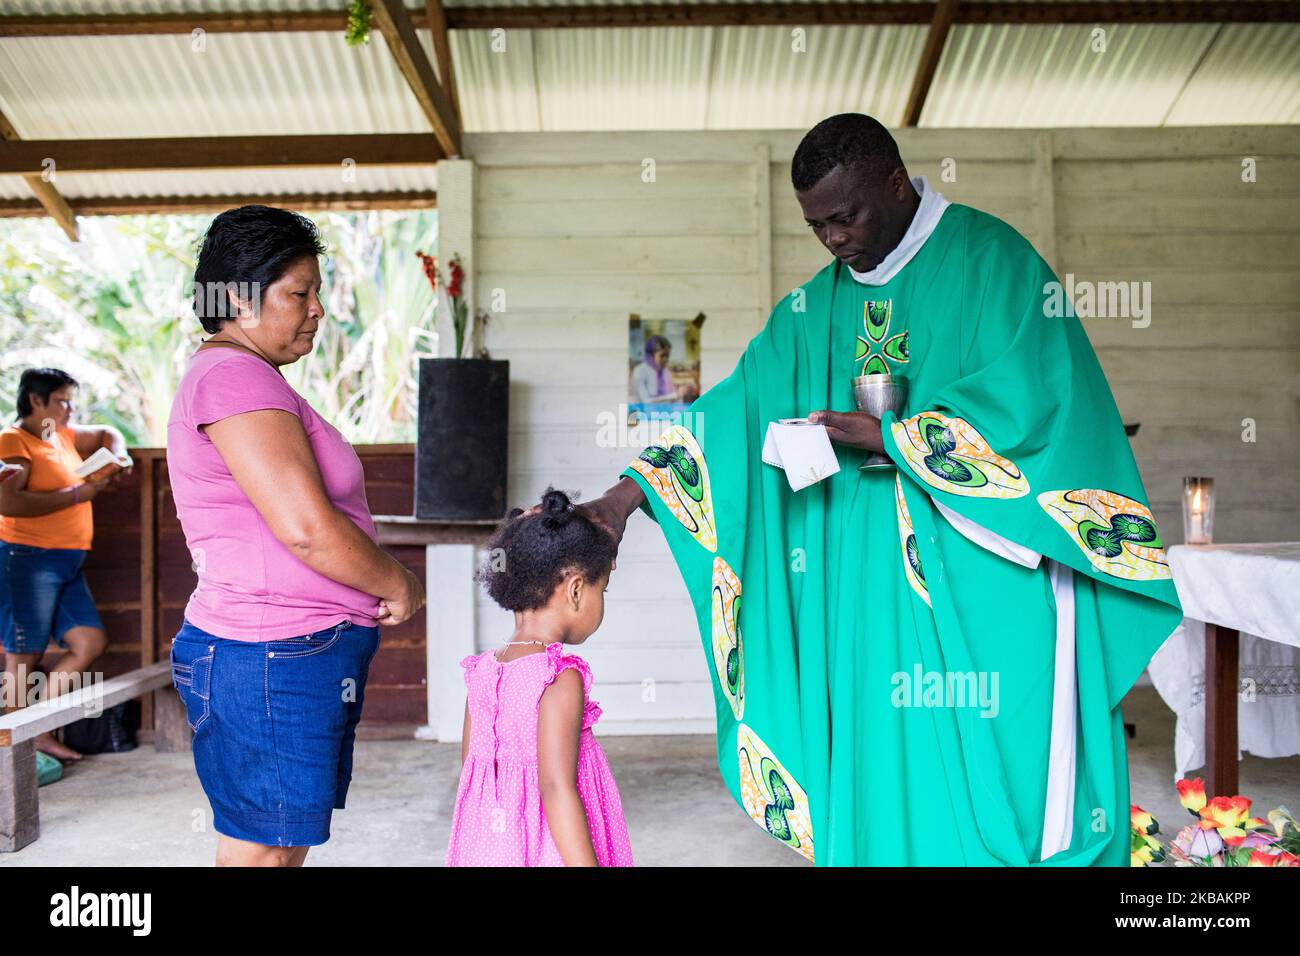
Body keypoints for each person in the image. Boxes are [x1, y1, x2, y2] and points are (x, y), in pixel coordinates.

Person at [568, 114, 1183, 866]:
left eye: (845, 217)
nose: (833, 239)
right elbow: (732, 412)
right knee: (877, 759)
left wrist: (892, 436)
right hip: (859, 585)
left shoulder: (991, 261)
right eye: (816, 225)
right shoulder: (812, 309)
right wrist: (625, 497)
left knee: (1002, 751)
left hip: (980, 576)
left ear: (895, 182)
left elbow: (1035, 403)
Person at [166, 205, 426, 867]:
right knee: (265, 851)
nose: (317, 311)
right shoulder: (233, 377)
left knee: (280, 845)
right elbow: (306, 530)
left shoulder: (248, 377)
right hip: (269, 653)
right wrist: (397, 582)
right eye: (299, 294)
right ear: (237, 299)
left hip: (285, 653)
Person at [446, 488, 632, 867]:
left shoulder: (481, 671)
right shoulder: (557, 677)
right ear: (576, 589)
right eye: (602, 589)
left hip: (489, 850)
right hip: (549, 851)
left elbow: (473, 775)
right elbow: (556, 789)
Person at [0, 367, 127, 762]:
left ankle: (39, 729)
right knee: (24, 655)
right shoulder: (13, 440)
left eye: (71, 401)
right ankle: (17, 754)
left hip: (68, 561)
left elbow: (107, 432)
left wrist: (119, 453)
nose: (70, 409)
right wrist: (77, 495)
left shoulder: (61, 435)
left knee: (89, 642)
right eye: (62, 401)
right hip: (27, 558)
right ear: (35, 400)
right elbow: (8, 501)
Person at [630, 334, 678, 405]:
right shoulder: (640, 371)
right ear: (651, 355)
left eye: (667, 355)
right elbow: (646, 402)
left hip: (665, 411)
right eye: (662, 355)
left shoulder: (666, 372)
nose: (665, 359)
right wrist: (670, 397)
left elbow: (673, 399)